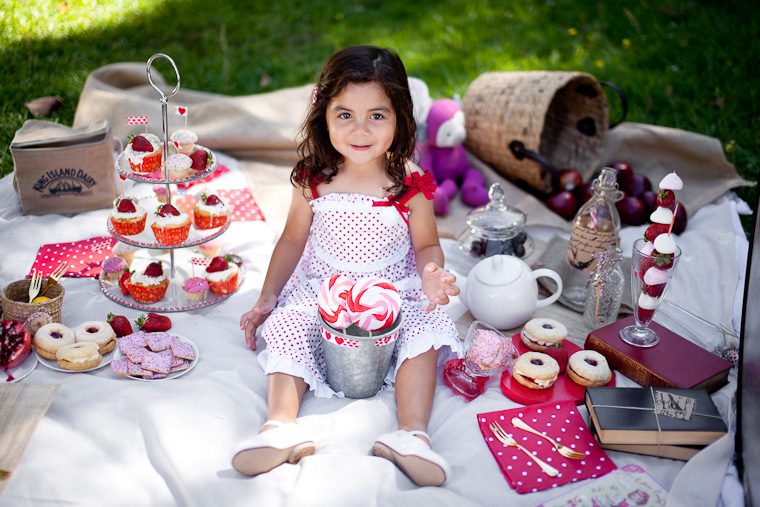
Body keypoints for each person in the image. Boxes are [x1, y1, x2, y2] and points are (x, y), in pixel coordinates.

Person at [234, 45, 462, 487]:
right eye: (345, 115)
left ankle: (412, 434)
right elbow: (293, 240)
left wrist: (431, 273)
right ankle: (279, 427)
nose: (361, 130)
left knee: (426, 330)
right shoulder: (314, 177)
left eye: (377, 116)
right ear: (324, 115)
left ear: (400, 119)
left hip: (393, 288)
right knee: (286, 327)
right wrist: (268, 297)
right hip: (323, 287)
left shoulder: (408, 182)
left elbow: (428, 244)